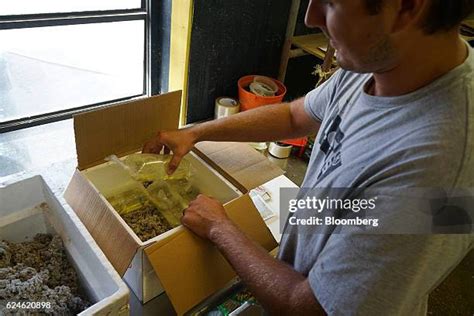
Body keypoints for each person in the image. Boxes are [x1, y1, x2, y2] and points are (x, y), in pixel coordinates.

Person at [143, 0, 474, 314]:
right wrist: (197, 132)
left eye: (330, 3)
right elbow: (293, 117)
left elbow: (306, 307)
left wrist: (220, 228)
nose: (311, 18)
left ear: (407, 7)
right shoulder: (377, 60)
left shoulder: (438, 172)